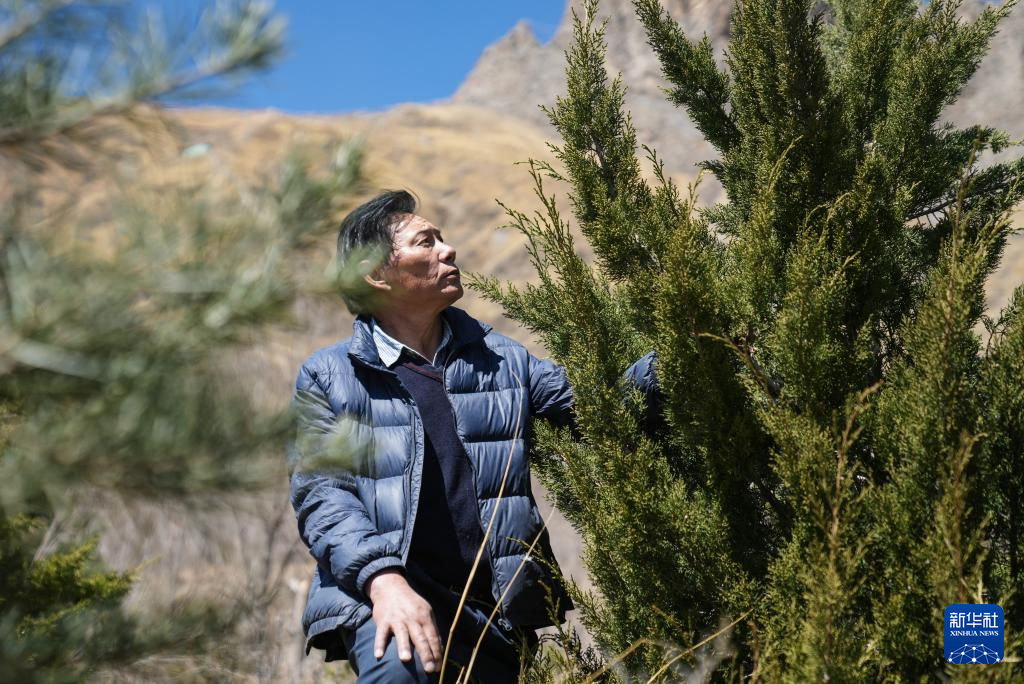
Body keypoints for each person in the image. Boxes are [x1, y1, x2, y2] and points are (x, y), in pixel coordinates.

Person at [286, 190, 660, 683]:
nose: (449, 249)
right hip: (388, 599)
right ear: (376, 274)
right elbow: (323, 496)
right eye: (426, 242)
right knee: (400, 672)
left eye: (442, 238)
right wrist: (384, 581)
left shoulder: (502, 358)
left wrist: (677, 353)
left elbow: (597, 410)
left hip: (492, 613)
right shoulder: (330, 376)